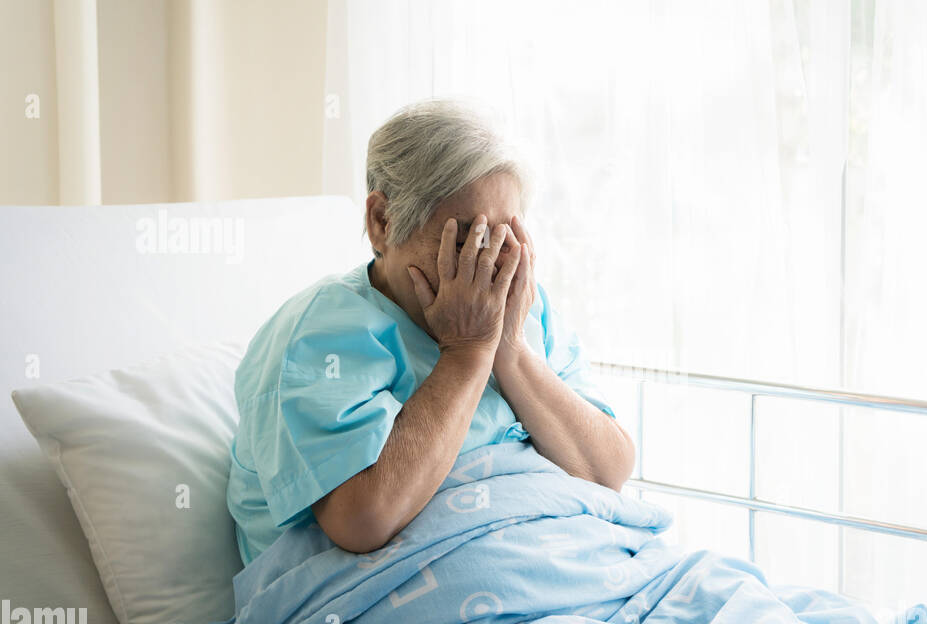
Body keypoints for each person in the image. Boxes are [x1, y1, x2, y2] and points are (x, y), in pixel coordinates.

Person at [226, 100, 635, 565]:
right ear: (382, 222)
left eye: (506, 240)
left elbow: (608, 473)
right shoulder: (321, 335)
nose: (489, 266)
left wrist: (512, 351)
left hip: (563, 563)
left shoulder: (524, 306)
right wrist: (467, 353)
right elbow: (363, 520)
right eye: (466, 242)